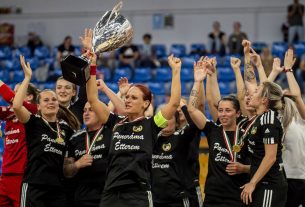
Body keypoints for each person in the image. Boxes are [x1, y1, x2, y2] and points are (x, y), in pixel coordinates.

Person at [13, 55, 79, 207]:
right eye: (46, 100)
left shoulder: (66, 129)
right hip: (34, 185)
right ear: (38, 106)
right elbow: (16, 106)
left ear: (58, 104)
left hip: (57, 187)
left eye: (54, 100)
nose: (51, 102)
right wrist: (27, 77)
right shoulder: (33, 122)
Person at [240, 80, 293, 206]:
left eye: (256, 91)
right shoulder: (260, 118)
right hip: (261, 182)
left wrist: (252, 183)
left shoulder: (268, 119)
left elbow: (270, 157)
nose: (252, 94)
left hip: (269, 184)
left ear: (264, 100)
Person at [267, 48, 305, 207]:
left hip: (302, 176)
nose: (287, 98)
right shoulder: (276, 118)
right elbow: (263, 95)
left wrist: (289, 70)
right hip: (283, 176)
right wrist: (274, 73)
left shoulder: (302, 118)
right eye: (283, 97)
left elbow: (296, 95)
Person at [63, 102, 112, 207]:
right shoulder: (75, 138)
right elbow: (66, 171)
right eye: (84, 110)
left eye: (91, 110)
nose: (86, 113)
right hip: (83, 198)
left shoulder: (112, 133)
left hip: (108, 196)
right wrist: (77, 164)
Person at [0, 80, 39, 207]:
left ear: (29, 97)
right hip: (5, 174)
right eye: (14, 92)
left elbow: (8, 96)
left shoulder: (34, 111)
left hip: (22, 174)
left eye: (18, 92)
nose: (14, 95)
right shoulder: (10, 113)